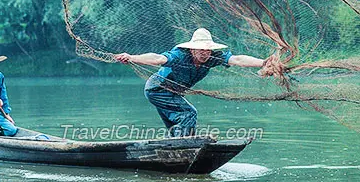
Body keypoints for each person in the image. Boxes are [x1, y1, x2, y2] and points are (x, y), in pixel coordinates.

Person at [114, 28, 269, 137]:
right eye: (201, 49)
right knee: (189, 113)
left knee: (177, 128)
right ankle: (184, 148)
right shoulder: (180, 55)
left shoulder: (213, 57)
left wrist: (263, 63)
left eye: (207, 49)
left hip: (173, 93)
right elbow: (158, 59)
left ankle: (173, 152)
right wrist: (132, 57)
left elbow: (237, 59)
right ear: (192, 49)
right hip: (157, 89)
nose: (205, 53)